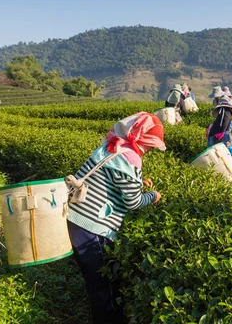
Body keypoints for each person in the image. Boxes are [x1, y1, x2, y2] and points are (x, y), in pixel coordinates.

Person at [66, 112, 165, 324]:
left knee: (94, 279)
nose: (149, 150)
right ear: (140, 139)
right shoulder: (131, 159)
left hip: (77, 218)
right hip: (93, 227)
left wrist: (139, 182)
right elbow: (133, 202)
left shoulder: (113, 146)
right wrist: (152, 196)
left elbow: (114, 179)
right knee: (102, 283)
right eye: (149, 145)